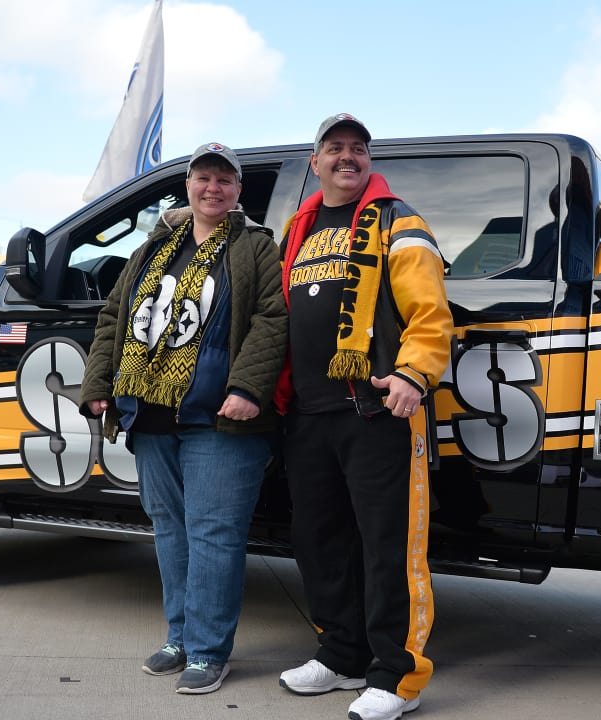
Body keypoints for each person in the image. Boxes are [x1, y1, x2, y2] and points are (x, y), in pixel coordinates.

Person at [80, 142, 287, 695]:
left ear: (238, 190)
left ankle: (208, 650)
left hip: (221, 417)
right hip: (150, 412)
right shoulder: (155, 248)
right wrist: (99, 385)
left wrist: (248, 388)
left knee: (214, 533)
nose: (213, 188)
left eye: (225, 180)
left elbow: (273, 320)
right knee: (170, 530)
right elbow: (113, 319)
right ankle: (179, 636)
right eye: (203, 178)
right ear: (188, 185)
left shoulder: (255, 248)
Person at [275, 114, 453, 720]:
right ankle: (342, 654)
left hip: (376, 410)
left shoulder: (398, 221)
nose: (346, 157)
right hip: (309, 415)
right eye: (335, 148)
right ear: (314, 162)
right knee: (320, 542)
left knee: (389, 549)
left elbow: (430, 313)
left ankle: (398, 677)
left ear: (369, 160)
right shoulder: (297, 229)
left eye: (357, 149)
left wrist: (412, 374)